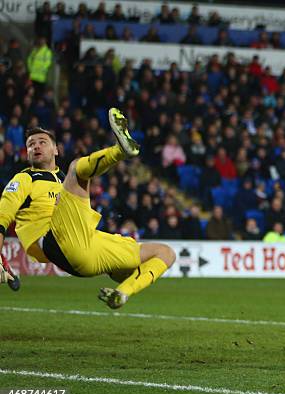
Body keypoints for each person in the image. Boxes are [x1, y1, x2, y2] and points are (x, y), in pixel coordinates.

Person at [0, 109, 176, 309]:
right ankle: (121, 150)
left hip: (88, 245)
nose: (36, 146)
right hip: (56, 240)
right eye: (31, 144)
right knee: (77, 169)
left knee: (165, 252)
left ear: (56, 150)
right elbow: (2, 217)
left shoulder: (62, 180)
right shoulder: (25, 178)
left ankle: (122, 293)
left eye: (42, 142)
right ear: (27, 153)